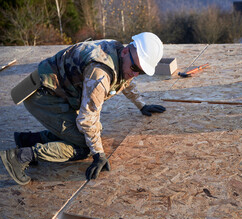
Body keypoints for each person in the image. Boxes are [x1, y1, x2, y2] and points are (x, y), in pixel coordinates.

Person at [0, 32, 166, 185]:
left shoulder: (120, 54)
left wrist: (141, 104)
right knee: (85, 147)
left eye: (141, 72)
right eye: (135, 68)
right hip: (43, 96)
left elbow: (125, 81)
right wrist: (98, 154)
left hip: (56, 91)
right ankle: (20, 157)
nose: (135, 74)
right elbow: (87, 120)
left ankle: (27, 140)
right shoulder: (100, 74)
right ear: (125, 52)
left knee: (92, 134)